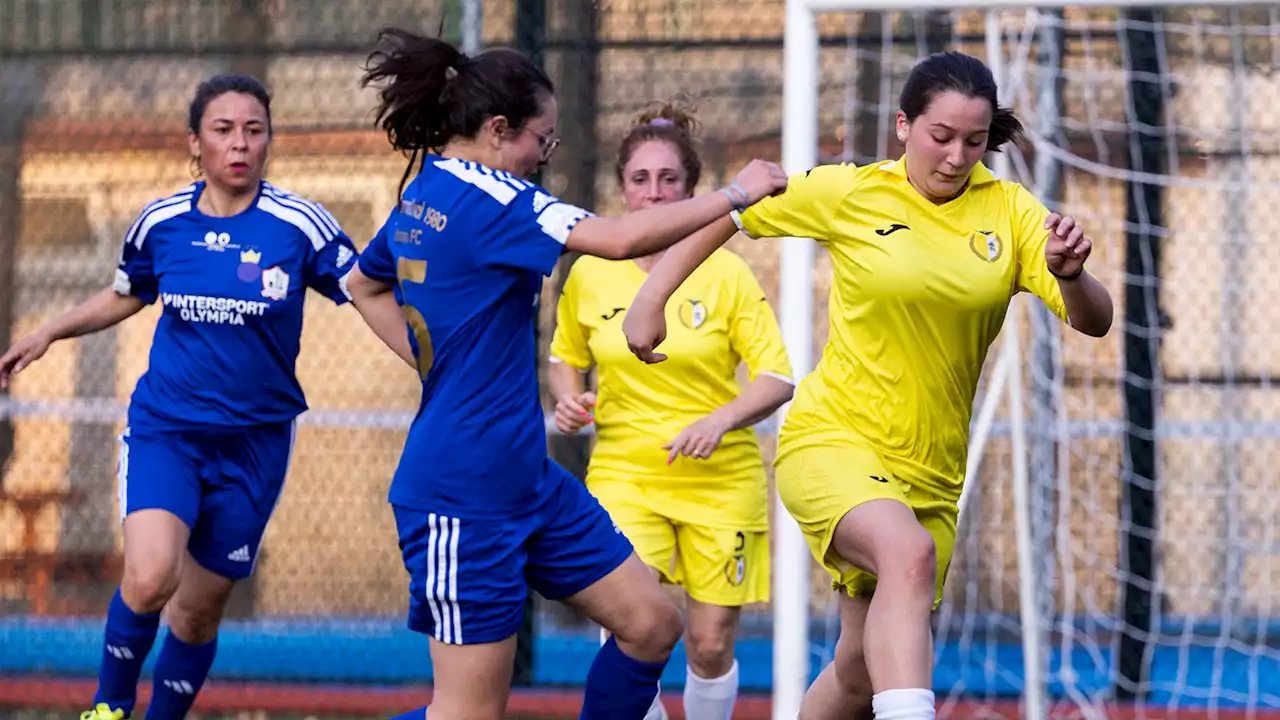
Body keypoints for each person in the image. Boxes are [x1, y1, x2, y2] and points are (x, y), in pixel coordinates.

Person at [621, 51, 1115, 720]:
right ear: (904, 124)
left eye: (974, 141)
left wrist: (1070, 273)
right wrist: (652, 297)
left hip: (932, 475)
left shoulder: (1012, 214)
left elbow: (1095, 320)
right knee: (903, 552)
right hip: (834, 442)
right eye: (941, 137)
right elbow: (731, 212)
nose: (955, 156)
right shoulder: (852, 191)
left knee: (857, 673)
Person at [342, 29, 788, 720]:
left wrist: (439, 362)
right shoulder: (493, 199)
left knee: (649, 626)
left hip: (529, 480)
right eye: (540, 142)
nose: (544, 157)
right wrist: (736, 193)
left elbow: (362, 284)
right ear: (497, 131)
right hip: (464, 496)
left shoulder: (426, 189)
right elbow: (621, 239)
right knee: (467, 714)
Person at [0, 74, 361, 720]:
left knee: (195, 615)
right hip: (168, 432)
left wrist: (433, 357)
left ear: (270, 141)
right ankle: (108, 709)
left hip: (254, 447)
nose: (240, 144)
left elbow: (368, 289)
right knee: (150, 576)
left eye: (255, 130)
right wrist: (50, 331)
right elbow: (128, 291)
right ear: (195, 144)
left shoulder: (298, 225)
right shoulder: (162, 222)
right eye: (223, 131)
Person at [549, 101, 794, 720]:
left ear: (692, 189)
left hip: (720, 480)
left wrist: (719, 420)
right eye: (640, 180)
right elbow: (565, 356)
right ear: (623, 189)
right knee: (634, 633)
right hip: (625, 475)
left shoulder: (726, 275)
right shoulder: (589, 273)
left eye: (669, 181)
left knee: (709, 646)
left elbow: (777, 377)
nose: (654, 194)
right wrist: (568, 397)